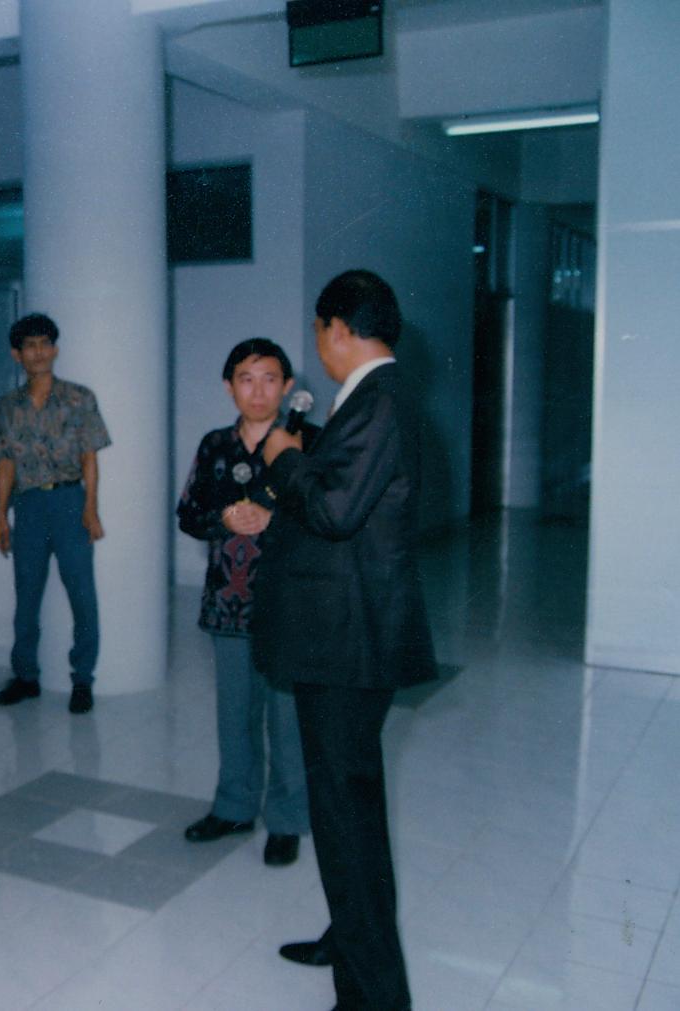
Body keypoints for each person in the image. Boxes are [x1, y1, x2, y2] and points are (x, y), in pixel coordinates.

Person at [255, 270, 436, 1011]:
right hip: (342, 634)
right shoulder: (370, 398)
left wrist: (283, 458)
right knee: (347, 808)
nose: (318, 346)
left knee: (345, 815)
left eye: (317, 332)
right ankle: (350, 935)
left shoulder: (379, 400)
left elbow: (333, 510)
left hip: (348, 642)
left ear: (336, 327)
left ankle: (373, 997)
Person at [178, 338, 314, 868]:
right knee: (234, 714)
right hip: (228, 603)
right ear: (229, 386)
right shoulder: (215, 445)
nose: (258, 392)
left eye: (269, 379)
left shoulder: (307, 442)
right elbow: (188, 514)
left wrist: (273, 518)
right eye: (246, 379)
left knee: (288, 718)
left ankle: (287, 819)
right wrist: (224, 520)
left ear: (287, 386)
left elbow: (329, 516)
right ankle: (233, 807)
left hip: (290, 604)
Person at [0, 312, 110, 714]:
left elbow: (89, 457)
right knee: (26, 596)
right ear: (17, 354)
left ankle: (82, 679)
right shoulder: (6, 407)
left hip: (70, 502)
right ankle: (26, 676)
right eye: (30, 346)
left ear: (55, 350)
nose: (38, 352)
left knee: (82, 595)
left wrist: (91, 508)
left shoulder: (79, 398)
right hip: (28, 507)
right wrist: (0, 515)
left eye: (45, 344)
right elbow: (5, 462)